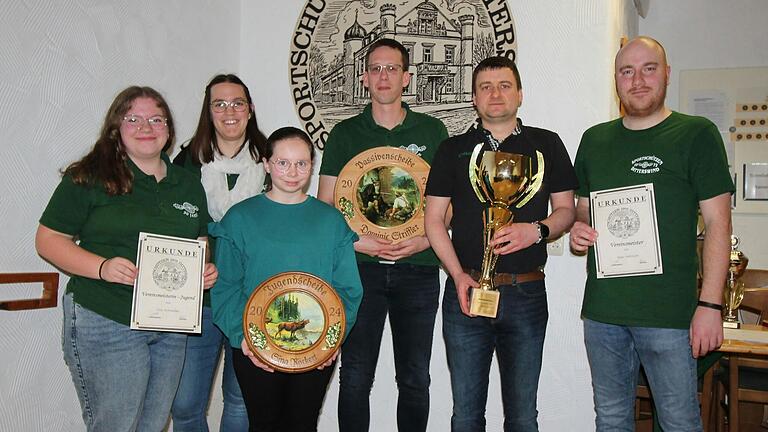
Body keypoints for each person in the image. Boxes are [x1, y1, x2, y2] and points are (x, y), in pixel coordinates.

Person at [569, 36, 734, 431]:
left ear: (666, 74)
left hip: (670, 316)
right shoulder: (594, 140)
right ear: (616, 80)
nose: (638, 80)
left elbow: (718, 224)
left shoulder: (697, 134)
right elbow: (583, 206)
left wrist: (710, 306)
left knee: (678, 422)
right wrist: (578, 228)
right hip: (604, 313)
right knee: (610, 419)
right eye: (627, 71)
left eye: (649, 69)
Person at [35, 86, 218, 431]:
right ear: (116, 128)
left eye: (155, 119)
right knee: (117, 425)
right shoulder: (90, 176)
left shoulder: (187, 183)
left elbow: (199, 238)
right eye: (132, 118)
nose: (145, 127)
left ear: (168, 129)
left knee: (151, 425)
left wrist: (204, 269)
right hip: (106, 317)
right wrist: (102, 268)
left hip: (170, 324)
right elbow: (48, 240)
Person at [424, 56, 578, 431]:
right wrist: (457, 275)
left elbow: (566, 211)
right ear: (474, 98)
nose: (495, 94)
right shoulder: (452, 149)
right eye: (486, 87)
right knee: (465, 415)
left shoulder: (547, 144)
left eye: (504, 85)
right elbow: (433, 221)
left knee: (523, 415)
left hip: (525, 293)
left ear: (520, 94)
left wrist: (536, 230)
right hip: (467, 292)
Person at [317, 38, 448, 432]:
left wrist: (426, 240)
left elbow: (447, 202)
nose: (384, 76)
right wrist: (357, 242)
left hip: (420, 268)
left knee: (415, 378)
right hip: (358, 270)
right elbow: (326, 205)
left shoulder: (433, 130)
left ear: (407, 77)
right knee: (355, 376)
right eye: (376, 68)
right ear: (364, 78)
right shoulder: (344, 134)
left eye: (392, 68)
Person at [210, 126, 363, 432]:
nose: (293, 172)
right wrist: (246, 340)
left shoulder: (331, 220)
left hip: (314, 347)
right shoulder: (239, 218)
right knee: (264, 424)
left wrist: (331, 341)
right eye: (283, 162)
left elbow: (348, 289)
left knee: (303, 424)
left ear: (312, 166)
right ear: (267, 164)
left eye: (302, 163)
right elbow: (225, 288)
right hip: (254, 348)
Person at [171, 73, 267, 432]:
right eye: (219, 104)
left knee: (241, 401)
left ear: (250, 109)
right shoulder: (185, 163)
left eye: (237, 102)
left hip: (251, 296)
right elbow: (173, 224)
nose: (230, 111)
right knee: (184, 405)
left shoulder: (271, 161)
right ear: (208, 112)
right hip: (200, 300)